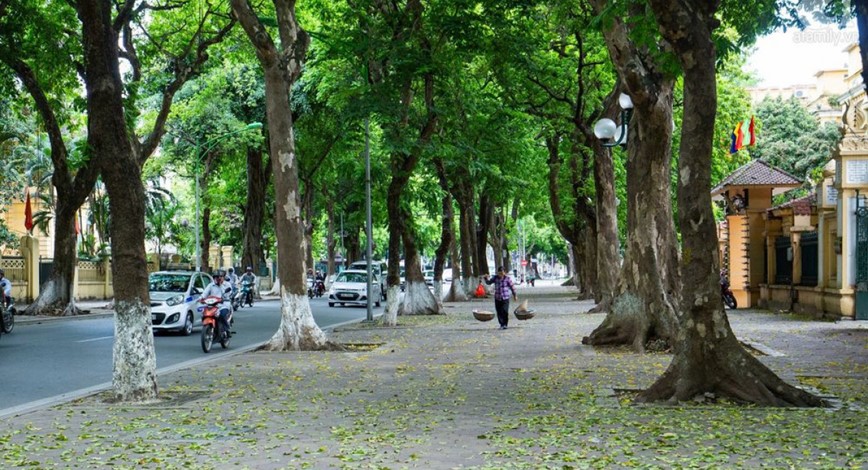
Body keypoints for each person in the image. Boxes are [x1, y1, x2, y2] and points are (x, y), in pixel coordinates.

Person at [202, 270, 233, 338]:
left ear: (223, 277)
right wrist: (201, 298)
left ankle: (227, 329)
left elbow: (228, 294)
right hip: (213, 305)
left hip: (224, 305)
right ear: (214, 278)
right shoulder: (211, 285)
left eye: (220, 277)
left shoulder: (226, 285)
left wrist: (221, 286)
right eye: (216, 277)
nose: (218, 278)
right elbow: (204, 293)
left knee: (221, 315)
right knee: (204, 314)